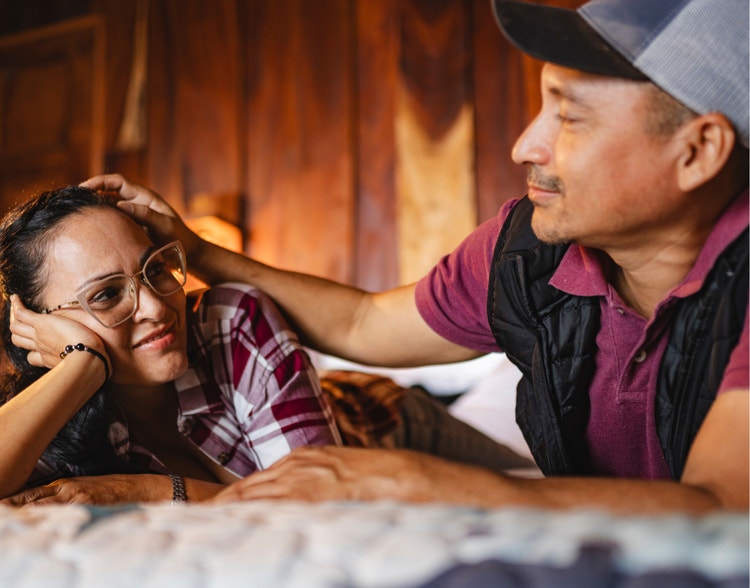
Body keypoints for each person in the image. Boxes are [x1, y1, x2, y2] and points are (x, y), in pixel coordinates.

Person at [83, 0, 748, 514]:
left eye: (569, 118)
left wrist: (429, 482)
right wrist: (198, 253)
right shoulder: (527, 252)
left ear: (698, 150)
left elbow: (726, 508)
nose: (525, 146)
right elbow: (363, 324)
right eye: (539, 106)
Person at [0, 187, 529, 506]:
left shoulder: (231, 319)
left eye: (157, 269)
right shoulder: (42, 422)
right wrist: (81, 366)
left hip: (385, 422)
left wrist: (149, 490)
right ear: (37, 327)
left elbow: (320, 503)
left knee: (550, 485)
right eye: (107, 294)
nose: (159, 307)